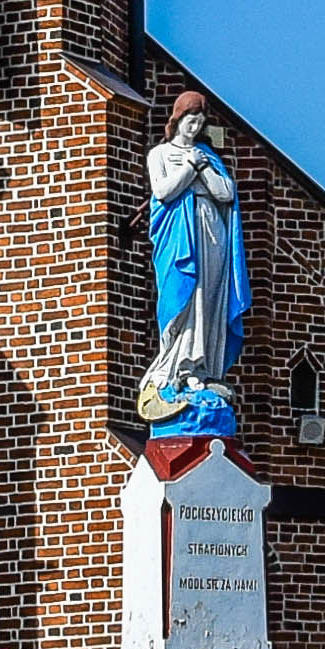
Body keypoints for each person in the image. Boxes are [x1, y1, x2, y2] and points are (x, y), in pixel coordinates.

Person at [137, 89, 246, 439]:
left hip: (210, 232)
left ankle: (202, 367)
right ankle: (174, 369)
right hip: (179, 237)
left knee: (209, 302)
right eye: (190, 119)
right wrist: (191, 167)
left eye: (199, 121)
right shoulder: (162, 154)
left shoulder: (207, 154)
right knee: (183, 300)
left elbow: (226, 193)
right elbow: (164, 192)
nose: (195, 125)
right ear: (177, 119)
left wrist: (203, 167)